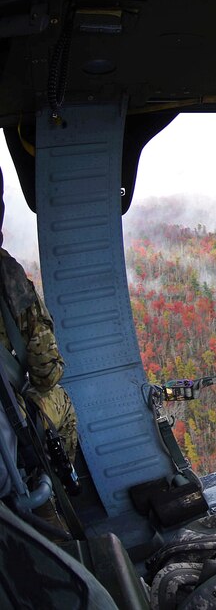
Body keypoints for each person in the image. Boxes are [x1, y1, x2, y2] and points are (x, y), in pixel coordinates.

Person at [0, 169, 79, 499]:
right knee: (60, 402)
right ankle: (54, 498)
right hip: (6, 430)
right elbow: (45, 373)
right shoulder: (7, 274)